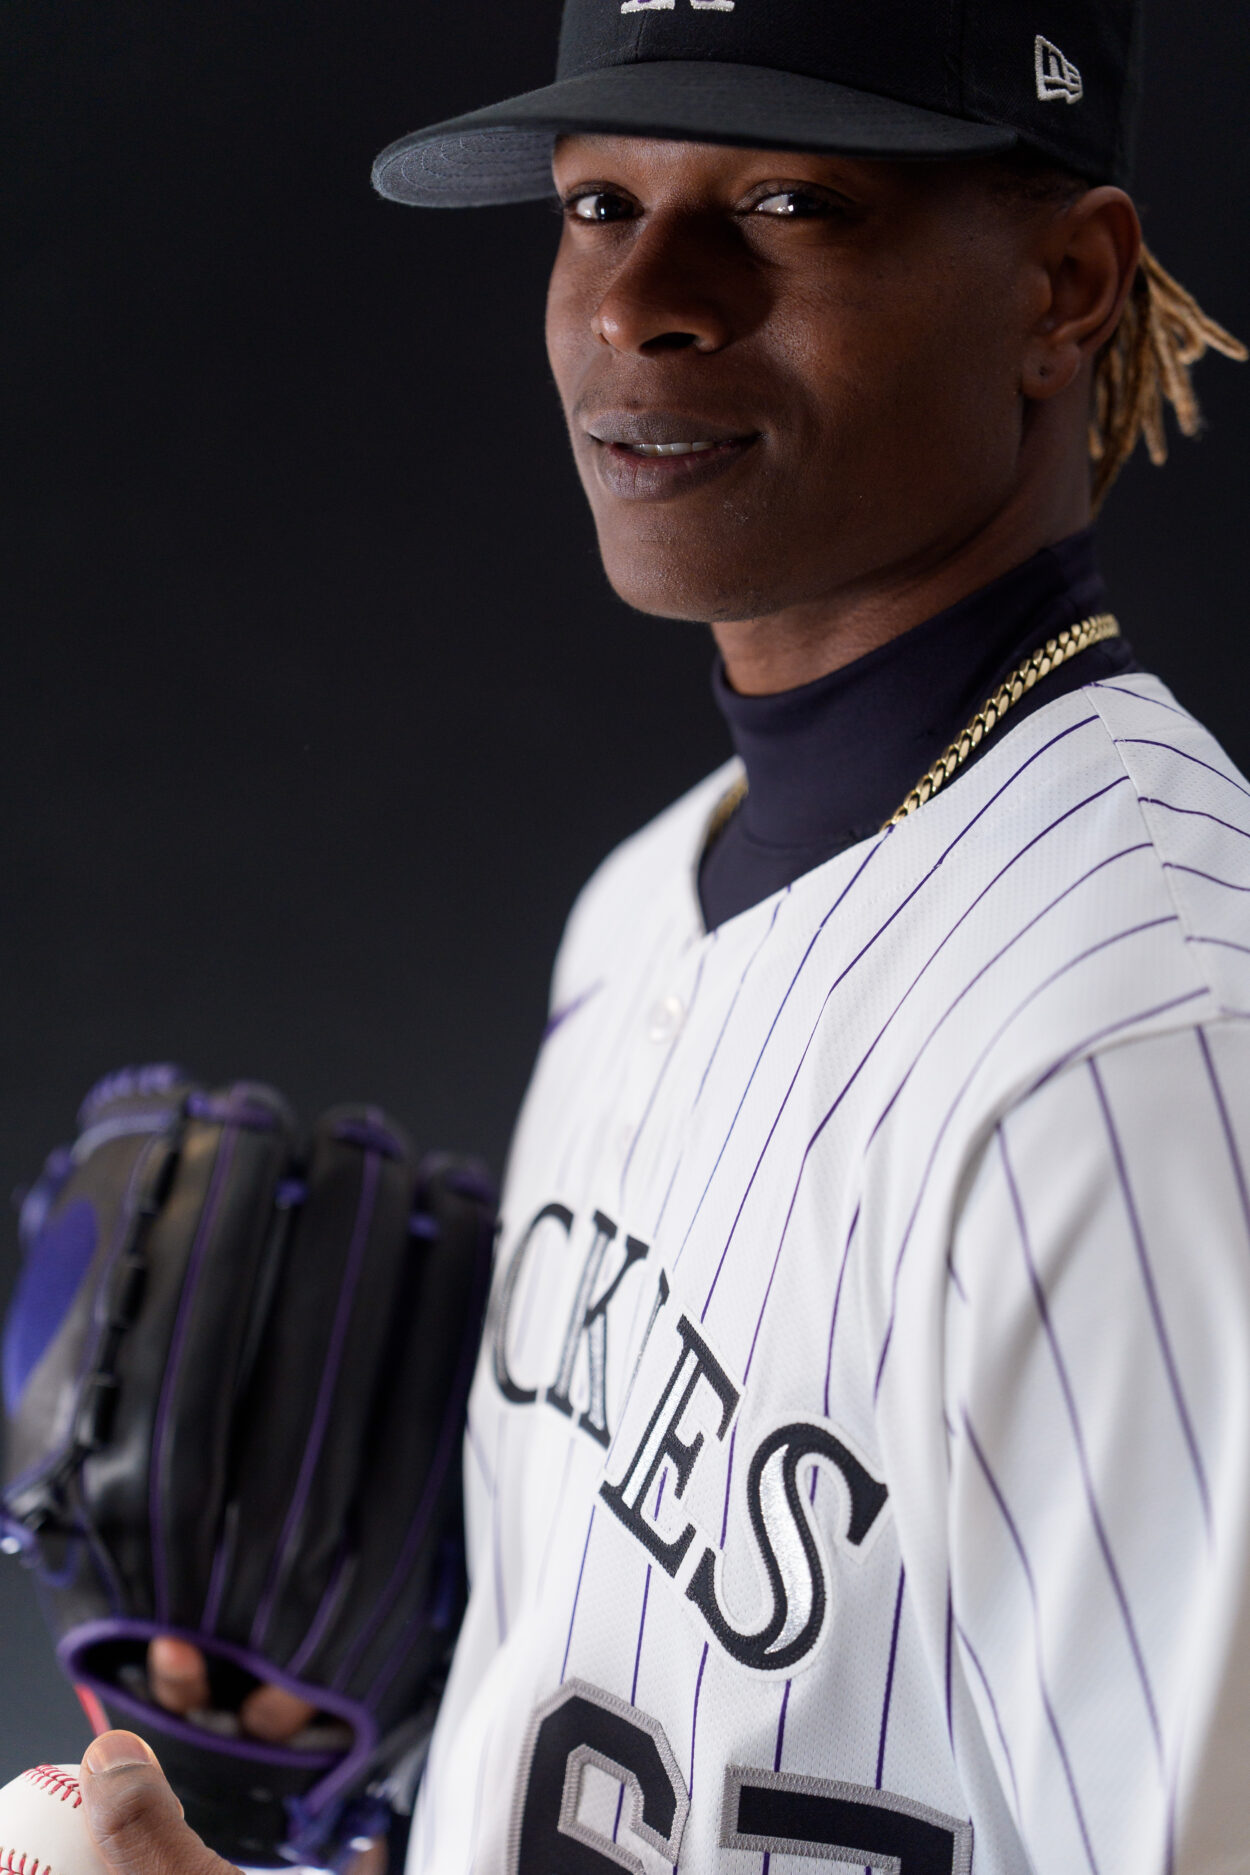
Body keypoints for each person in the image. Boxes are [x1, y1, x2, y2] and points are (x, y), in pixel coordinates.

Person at [74, 0, 1250, 1871]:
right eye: (599, 201)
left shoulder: (1139, 1048)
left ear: (1062, 286)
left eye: (786, 199)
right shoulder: (641, 902)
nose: (641, 303)